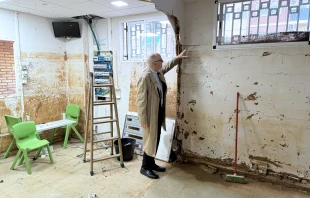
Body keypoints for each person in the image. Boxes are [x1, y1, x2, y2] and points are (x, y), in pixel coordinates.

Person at [136, 49, 188, 179]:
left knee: (156, 138)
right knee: (150, 140)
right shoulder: (145, 77)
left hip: (158, 112)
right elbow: (140, 102)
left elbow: (166, 67)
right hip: (149, 116)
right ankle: (145, 167)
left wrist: (177, 59)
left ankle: (151, 164)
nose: (162, 62)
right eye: (160, 60)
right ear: (154, 63)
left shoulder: (157, 73)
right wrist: (143, 120)